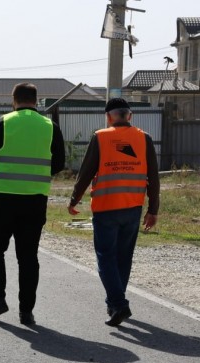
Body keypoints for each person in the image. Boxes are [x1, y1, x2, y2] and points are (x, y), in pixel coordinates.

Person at [68, 97, 160, 327]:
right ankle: (114, 304)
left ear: (109, 117)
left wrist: (74, 200)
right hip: (132, 208)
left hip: (106, 208)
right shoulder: (144, 138)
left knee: (106, 257)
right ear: (130, 116)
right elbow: (154, 178)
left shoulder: (100, 137)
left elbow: (86, 172)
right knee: (123, 258)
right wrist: (153, 210)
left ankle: (119, 304)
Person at [0, 83, 65, 326]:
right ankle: (26, 311)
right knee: (28, 256)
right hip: (35, 200)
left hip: (2, 198)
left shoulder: (2, 123)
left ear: (13, 100)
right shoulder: (50, 127)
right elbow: (58, 163)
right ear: (36, 101)